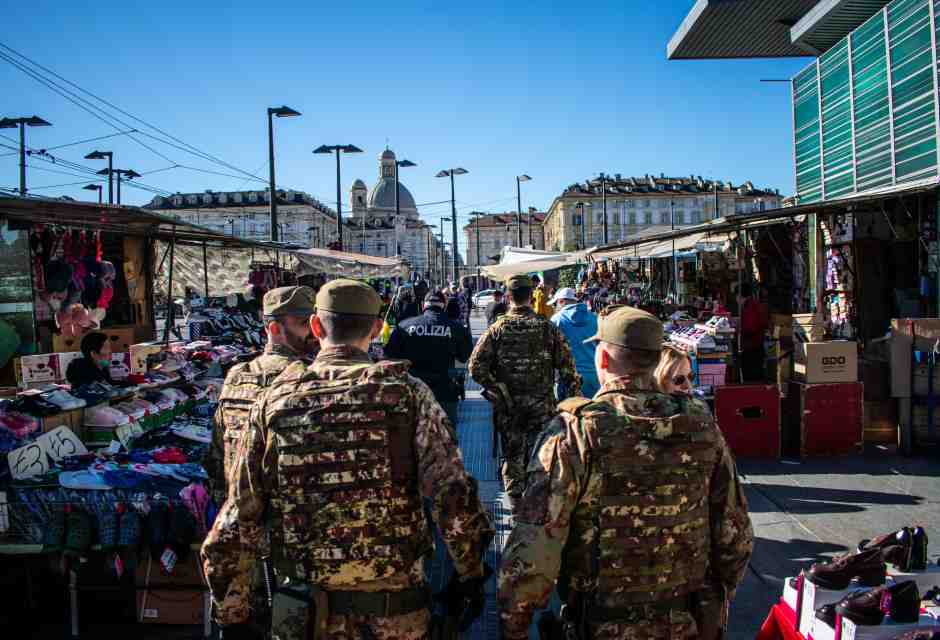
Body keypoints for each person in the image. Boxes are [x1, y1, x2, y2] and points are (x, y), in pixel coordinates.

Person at [202, 279, 493, 640]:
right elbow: (453, 498)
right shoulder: (408, 395)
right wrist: (471, 574)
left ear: (316, 326)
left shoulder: (276, 400)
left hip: (303, 612)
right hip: (395, 614)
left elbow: (236, 519)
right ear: (375, 328)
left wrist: (233, 614)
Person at [498, 305, 753, 640]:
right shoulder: (702, 426)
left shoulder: (576, 431)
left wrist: (514, 624)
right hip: (684, 622)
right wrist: (717, 602)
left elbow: (534, 551)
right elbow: (735, 534)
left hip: (600, 624)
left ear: (603, 360)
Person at [202, 286, 317, 639]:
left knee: (240, 623)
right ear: (273, 327)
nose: (311, 331)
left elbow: (217, 457)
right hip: (291, 536)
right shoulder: (308, 378)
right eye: (301, 323)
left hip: (240, 530)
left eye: (312, 322)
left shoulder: (237, 376)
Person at [468, 274, 581, 513]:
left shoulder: (497, 329)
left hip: (510, 408)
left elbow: (475, 367)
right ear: (531, 296)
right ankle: (539, 503)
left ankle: (517, 507)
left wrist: (498, 389)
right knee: (543, 454)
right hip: (542, 405)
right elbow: (569, 370)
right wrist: (569, 403)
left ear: (508, 297)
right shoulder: (548, 329)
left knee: (513, 455)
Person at [384, 290, 472, 426]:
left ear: (423, 305)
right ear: (444, 305)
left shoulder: (404, 326)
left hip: (412, 393)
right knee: (447, 440)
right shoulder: (457, 329)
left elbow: (389, 356)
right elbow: (464, 357)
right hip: (444, 392)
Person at [548, 287, 600, 399]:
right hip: (596, 376)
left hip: (570, 379)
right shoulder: (594, 318)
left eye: (555, 304)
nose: (555, 308)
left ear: (561, 301)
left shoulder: (556, 320)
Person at [739, 283, 768, 382]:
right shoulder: (751, 305)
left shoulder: (750, 306)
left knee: (753, 377)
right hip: (754, 346)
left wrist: (739, 331)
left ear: (739, 296)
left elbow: (750, 328)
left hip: (752, 347)